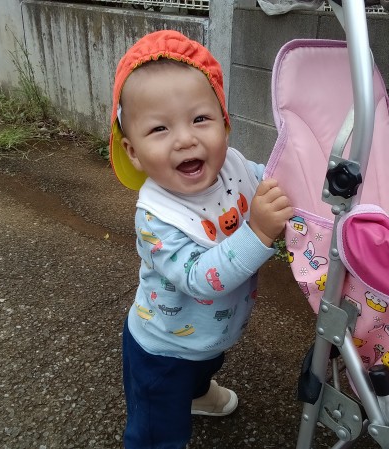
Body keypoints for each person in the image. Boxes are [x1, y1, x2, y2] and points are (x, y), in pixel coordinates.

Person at [108, 30, 294, 449]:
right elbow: (199, 278)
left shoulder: (233, 166)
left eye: (200, 119)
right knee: (158, 430)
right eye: (159, 128)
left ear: (225, 123)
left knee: (205, 363)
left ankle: (196, 394)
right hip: (163, 348)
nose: (185, 139)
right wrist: (259, 232)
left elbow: (269, 180)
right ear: (133, 151)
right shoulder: (156, 217)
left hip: (209, 334)